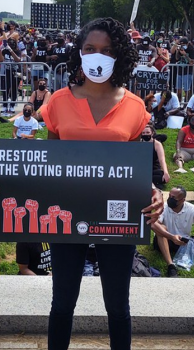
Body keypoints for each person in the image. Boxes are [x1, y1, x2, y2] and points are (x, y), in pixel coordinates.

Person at [38, 17, 163, 350]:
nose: (97, 56)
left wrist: (154, 192)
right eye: (90, 49)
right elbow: (47, 162)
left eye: (106, 50)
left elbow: (136, 167)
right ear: (79, 53)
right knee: (62, 303)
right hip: (65, 212)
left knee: (118, 307)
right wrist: (9, 185)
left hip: (117, 216)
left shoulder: (136, 108)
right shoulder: (58, 102)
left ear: (119, 55)